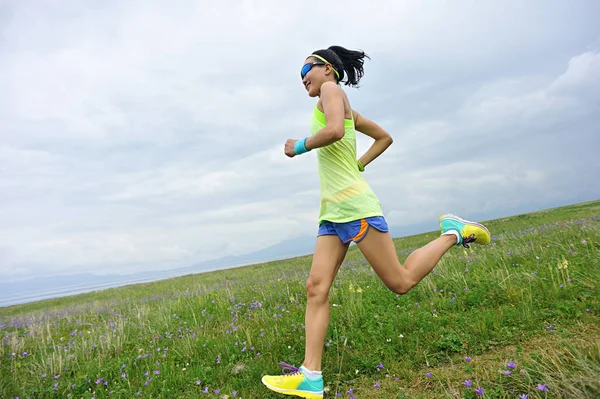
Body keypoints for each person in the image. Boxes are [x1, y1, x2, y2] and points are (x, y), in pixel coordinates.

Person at [261, 45, 491, 398]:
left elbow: (336, 131)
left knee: (400, 282)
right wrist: (360, 163)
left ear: (326, 68)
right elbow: (384, 137)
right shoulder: (339, 101)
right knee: (315, 288)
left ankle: (452, 234)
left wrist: (301, 146)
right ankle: (311, 376)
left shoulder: (330, 91)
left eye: (304, 68)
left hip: (355, 209)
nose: (301, 78)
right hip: (332, 215)